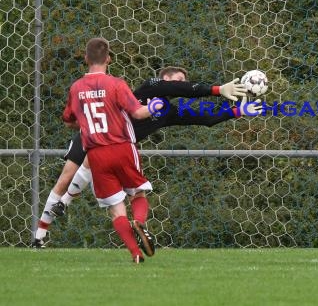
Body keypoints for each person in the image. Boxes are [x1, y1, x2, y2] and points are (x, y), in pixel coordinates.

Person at [33, 65, 257, 248]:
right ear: (165, 78)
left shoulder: (168, 111)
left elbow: (205, 119)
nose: (180, 85)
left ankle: (57, 214)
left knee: (108, 179)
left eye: (183, 82)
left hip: (115, 150)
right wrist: (216, 89)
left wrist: (237, 112)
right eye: (177, 80)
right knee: (65, 179)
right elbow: (178, 87)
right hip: (91, 136)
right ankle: (41, 233)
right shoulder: (150, 87)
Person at [61, 37, 161, 263]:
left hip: (96, 155)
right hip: (122, 147)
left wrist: (85, 121)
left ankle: (135, 254)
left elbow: (69, 121)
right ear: (108, 59)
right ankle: (140, 221)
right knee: (138, 192)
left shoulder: (76, 88)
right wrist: (155, 106)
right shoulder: (116, 84)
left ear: (86, 59)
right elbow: (137, 113)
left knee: (116, 209)